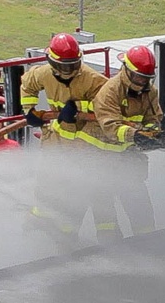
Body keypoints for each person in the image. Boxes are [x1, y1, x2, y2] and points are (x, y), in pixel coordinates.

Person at [21, 33, 111, 239]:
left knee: (75, 187)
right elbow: (27, 84)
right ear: (51, 63)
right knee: (47, 177)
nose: (67, 71)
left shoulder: (93, 80)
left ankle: (68, 231)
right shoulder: (43, 74)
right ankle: (40, 216)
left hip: (84, 139)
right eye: (63, 66)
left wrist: (79, 108)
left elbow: (108, 109)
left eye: (72, 65)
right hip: (57, 135)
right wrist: (30, 110)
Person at [92, 44, 164, 237]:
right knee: (105, 217)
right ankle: (109, 251)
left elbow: (154, 118)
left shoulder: (150, 92)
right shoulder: (109, 91)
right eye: (139, 77)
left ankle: (147, 245)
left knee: (141, 212)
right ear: (126, 71)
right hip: (103, 161)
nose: (142, 82)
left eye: (147, 78)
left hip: (131, 161)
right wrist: (136, 135)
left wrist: (152, 132)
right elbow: (110, 126)